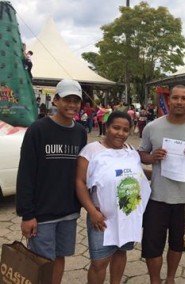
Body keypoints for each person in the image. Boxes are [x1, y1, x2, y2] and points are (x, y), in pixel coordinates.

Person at [16, 79, 88, 284]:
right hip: (42, 214)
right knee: (41, 262)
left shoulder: (80, 133)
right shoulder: (38, 130)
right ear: (55, 100)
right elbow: (26, 173)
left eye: (76, 100)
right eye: (67, 100)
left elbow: (82, 172)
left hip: (68, 212)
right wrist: (27, 214)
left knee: (59, 257)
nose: (72, 105)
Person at [138, 85, 185, 284]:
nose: (179, 102)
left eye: (184, 98)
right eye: (175, 98)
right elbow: (141, 153)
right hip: (156, 197)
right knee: (152, 245)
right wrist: (152, 157)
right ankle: (155, 280)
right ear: (168, 100)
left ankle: (170, 278)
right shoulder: (153, 127)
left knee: (178, 244)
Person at [76, 111, 151, 284]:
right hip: (102, 218)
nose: (120, 133)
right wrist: (91, 211)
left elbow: (138, 173)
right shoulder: (92, 150)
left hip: (126, 216)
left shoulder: (131, 151)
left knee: (120, 252)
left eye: (125, 129)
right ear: (107, 127)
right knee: (99, 262)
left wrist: (157, 174)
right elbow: (80, 182)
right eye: (116, 128)